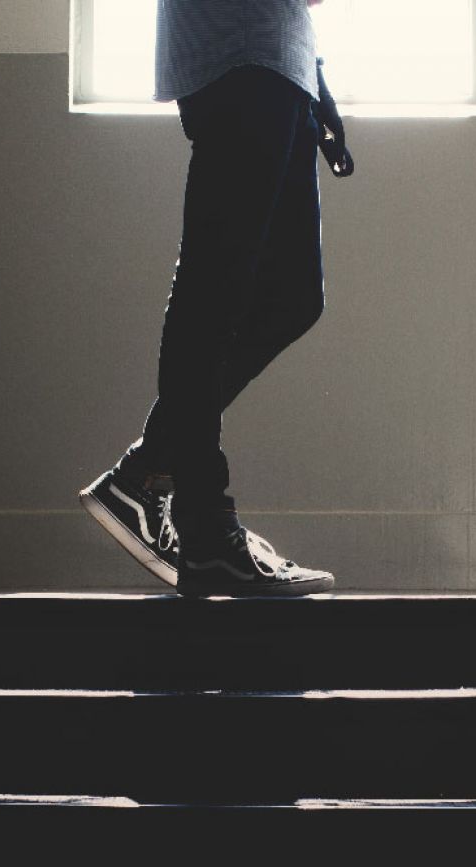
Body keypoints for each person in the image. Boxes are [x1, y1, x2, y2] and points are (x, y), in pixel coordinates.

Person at [79, 0, 354, 598]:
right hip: (243, 53)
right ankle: (205, 527)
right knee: (214, 289)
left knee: (292, 298)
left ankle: (147, 471)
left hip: (279, 58)